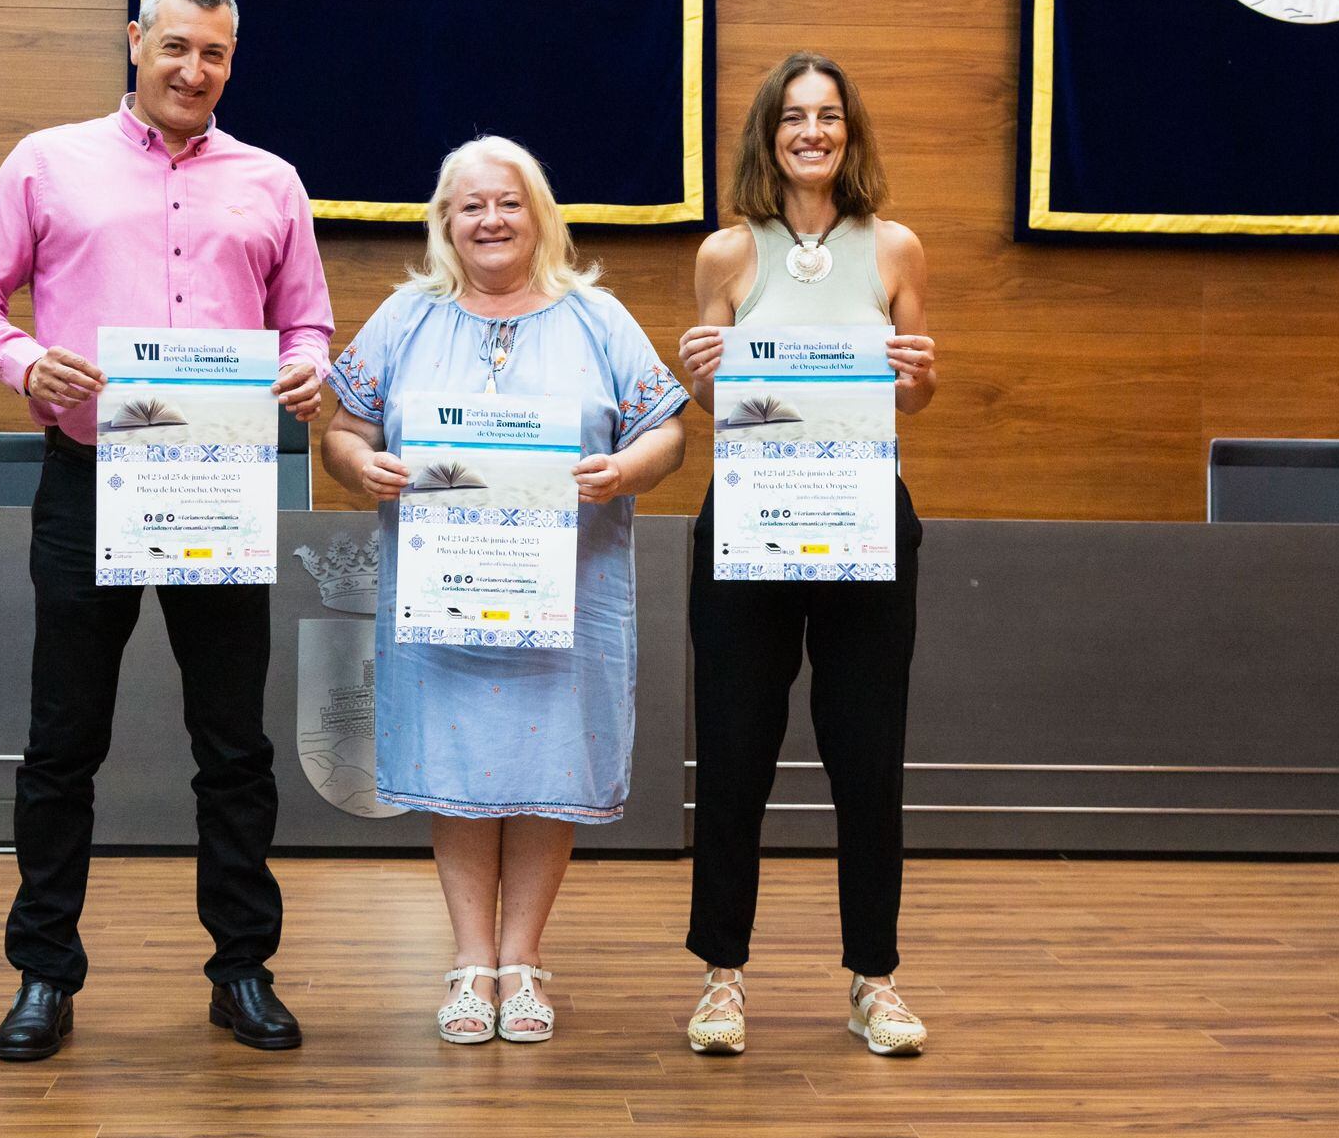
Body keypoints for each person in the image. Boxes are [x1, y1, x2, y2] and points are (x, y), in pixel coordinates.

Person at [0, 0, 334, 1059]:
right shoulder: (44, 161)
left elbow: (305, 324)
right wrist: (26, 363)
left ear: (229, 60)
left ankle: (242, 970)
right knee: (63, 741)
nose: (191, 69)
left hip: (217, 483)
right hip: (87, 480)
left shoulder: (271, 180)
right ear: (133, 41)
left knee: (233, 744)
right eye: (173, 46)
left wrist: (304, 374)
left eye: (211, 53)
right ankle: (42, 976)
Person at [321, 137, 687, 1045]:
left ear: (540, 214)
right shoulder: (407, 316)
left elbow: (668, 430)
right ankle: (469, 961)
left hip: (570, 595)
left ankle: (522, 961)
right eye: (471, 204)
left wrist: (621, 471)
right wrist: (363, 466)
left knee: (545, 766)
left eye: (509, 202)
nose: (491, 219)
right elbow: (342, 426)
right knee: (459, 770)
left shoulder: (597, 317)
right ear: (446, 220)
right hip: (444, 599)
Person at [676, 53, 938, 1057]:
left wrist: (920, 374)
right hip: (750, 521)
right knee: (735, 754)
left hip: (864, 520)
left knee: (866, 758)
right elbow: (710, 395)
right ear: (768, 133)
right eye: (794, 116)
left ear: (849, 132)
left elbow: (912, 391)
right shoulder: (726, 253)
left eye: (828, 115)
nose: (811, 131)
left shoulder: (896, 248)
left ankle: (873, 980)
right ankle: (721, 978)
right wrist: (699, 370)